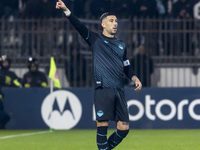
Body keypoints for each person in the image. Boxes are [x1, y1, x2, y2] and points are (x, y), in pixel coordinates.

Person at [56, 1, 142, 150]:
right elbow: (80, 27)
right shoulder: (95, 40)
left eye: (116, 21)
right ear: (103, 24)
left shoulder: (121, 44)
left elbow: (126, 66)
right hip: (103, 89)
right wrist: (66, 11)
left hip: (119, 90)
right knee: (102, 126)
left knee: (124, 128)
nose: (115, 24)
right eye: (111, 21)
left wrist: (134, 78)